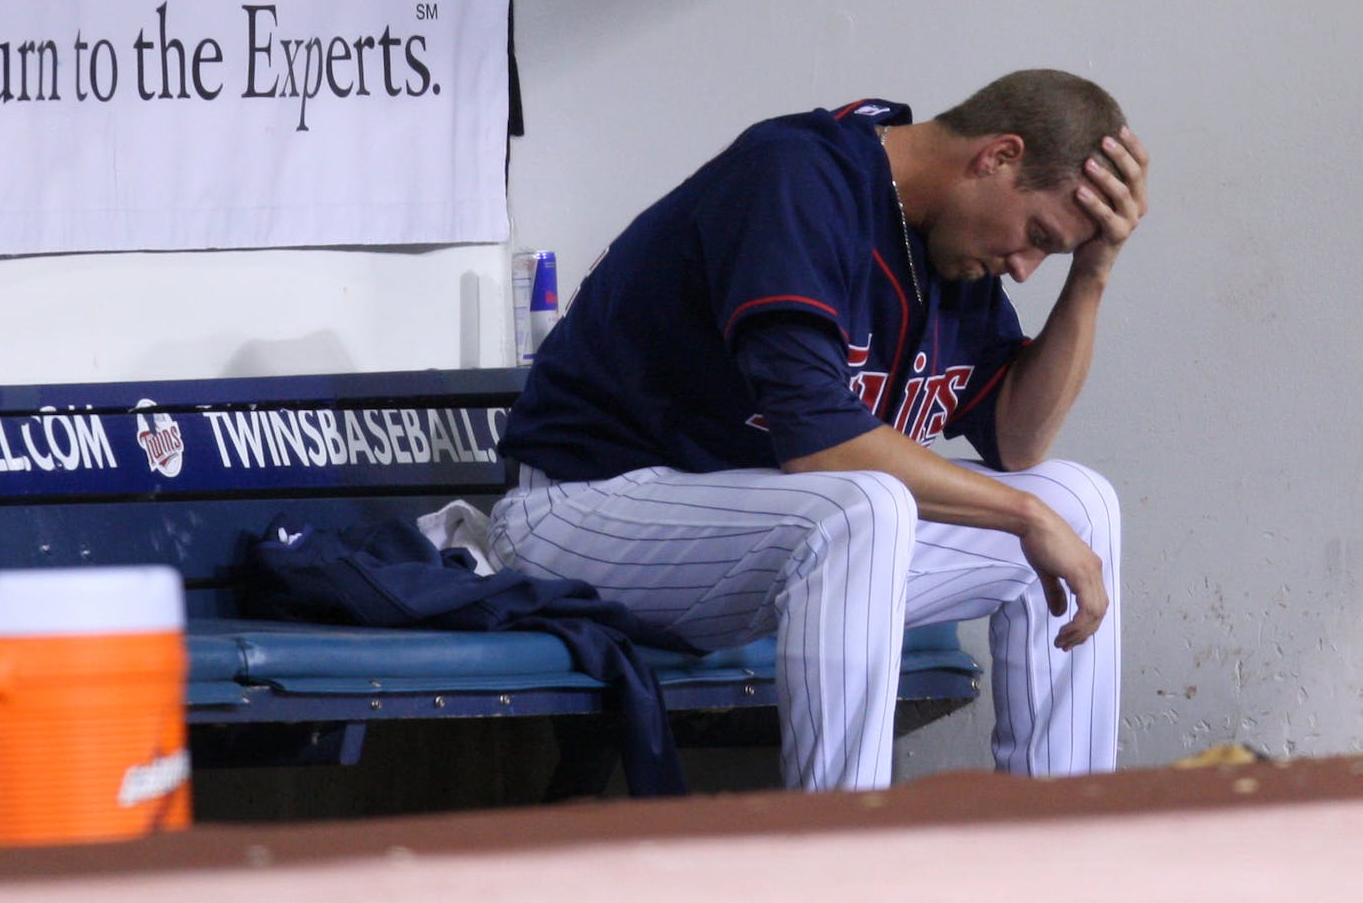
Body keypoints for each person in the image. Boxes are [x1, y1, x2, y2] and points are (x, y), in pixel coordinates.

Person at [489, 69, 1149, 790]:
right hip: (582, 510)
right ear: (997, 156)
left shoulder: (951, 253)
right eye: (1038, 237)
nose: (1025, 270)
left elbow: (1021, 442)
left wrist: (1092, 273)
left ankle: (1064, 852)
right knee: (865, 505)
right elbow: (820, 445)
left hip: (755, 539)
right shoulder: (798, 176)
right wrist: (1023, 515)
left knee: (1078, 502)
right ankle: (841, 855)